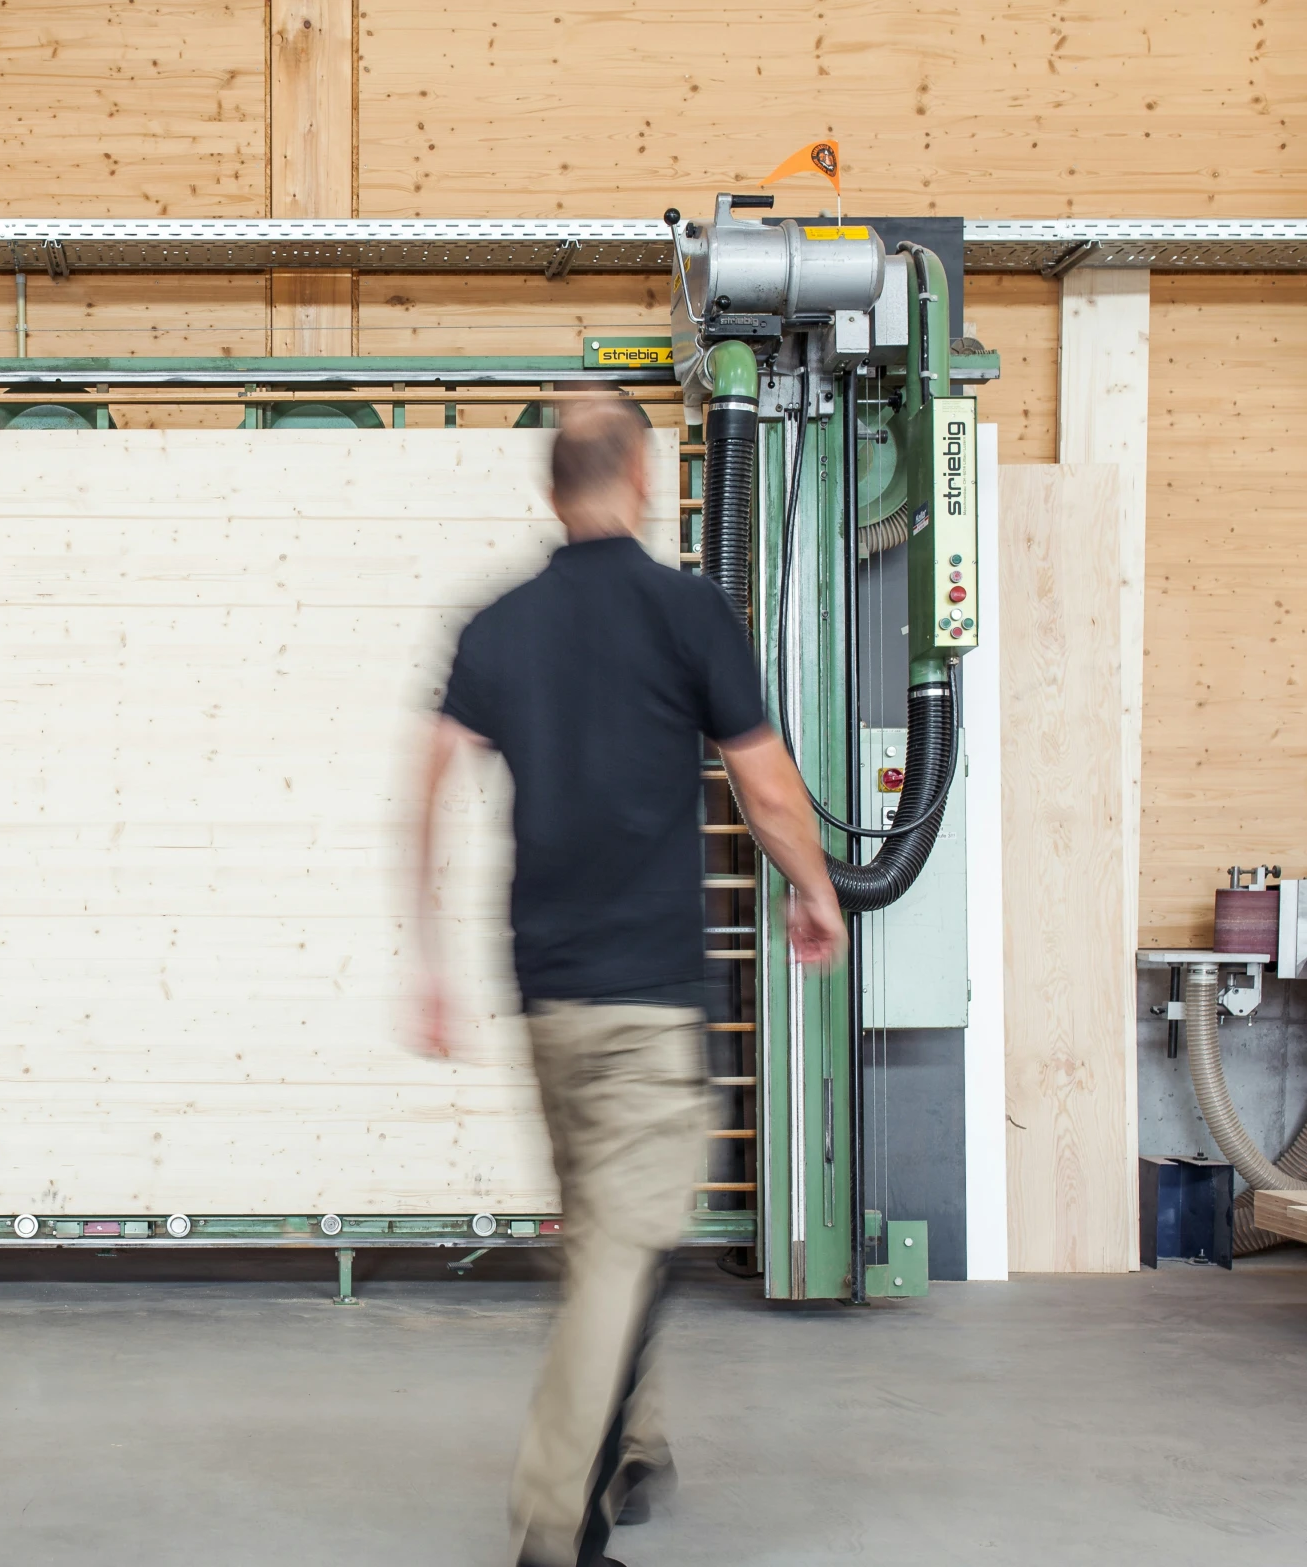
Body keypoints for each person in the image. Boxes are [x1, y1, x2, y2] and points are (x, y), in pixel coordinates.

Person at [410, 398, 846, 1567]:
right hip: (650, 997)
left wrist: (426, 957)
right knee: (621, 1245)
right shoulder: (686, 610)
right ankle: (555, 1518)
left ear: (554, 489)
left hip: (547, 991)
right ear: (642, 477)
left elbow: (431, 781)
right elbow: (764, 788)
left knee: (607, 1236)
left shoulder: (496, 624)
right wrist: (813, 887)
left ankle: (633, 1443)